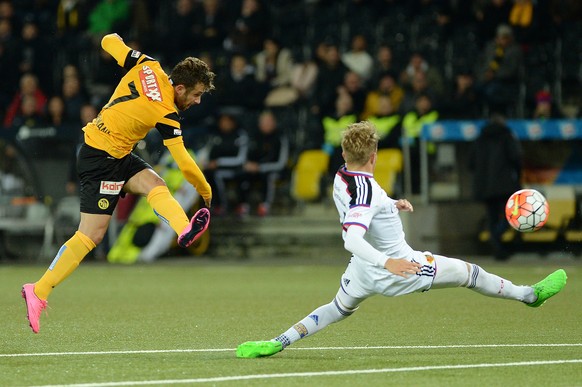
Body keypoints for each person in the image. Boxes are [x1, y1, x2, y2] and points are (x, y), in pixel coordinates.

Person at [235, 121, 567, 359]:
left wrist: (391, 203)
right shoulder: (365, 188)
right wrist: (389, 262)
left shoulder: (343, 175)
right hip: (395, 266)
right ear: (374, 155)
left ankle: (279, 341)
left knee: (338, 307)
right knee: (470, 273)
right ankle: (529, 295)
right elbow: (353, 237)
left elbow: (361, 201)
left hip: (363, 270)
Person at [21, 33, 215, 334]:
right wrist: (205, 191)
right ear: (179, 87)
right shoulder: (164, 110)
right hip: (100, 160)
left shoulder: (149, 65)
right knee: (90, 235)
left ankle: (184, 228)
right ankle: (39, 290)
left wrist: (116, 44)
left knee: (154, 183)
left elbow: (109, 41)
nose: (197, 101)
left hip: (117, 151)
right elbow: (185, 161)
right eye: (196, 94)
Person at [469, 113, 522, 261]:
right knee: (510, 216)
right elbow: (516, 157)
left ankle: (497, 247)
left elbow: (470, 163)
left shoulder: (480, 138)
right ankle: (497, 238)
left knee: (492, 217)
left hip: (484, 185)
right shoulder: (507, 136)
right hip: (505, 185)